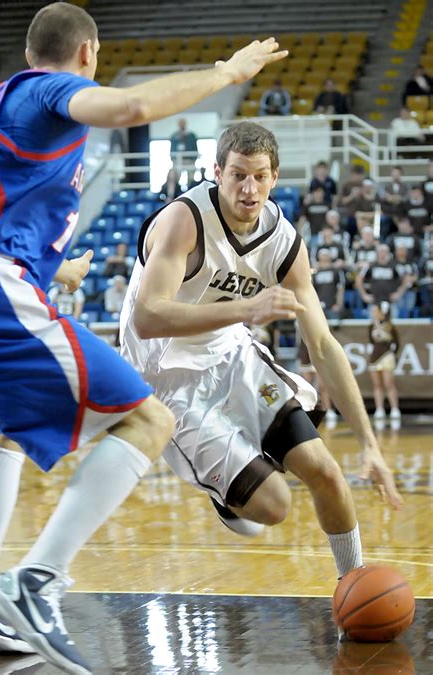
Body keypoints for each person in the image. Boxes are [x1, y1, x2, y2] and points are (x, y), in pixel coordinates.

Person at [0, 2, 289, 671]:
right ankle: (35, 581)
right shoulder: (45, 91)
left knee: (3, 428)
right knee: (148, 419)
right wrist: (230, 71)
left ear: (28, 51)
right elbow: (132, 109)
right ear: (88, 54)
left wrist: (66, 267)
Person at [120, 121, 402, 602]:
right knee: (274, 506)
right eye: (237, 176)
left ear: (275, 178)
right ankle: (228, 493)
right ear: (217, 173)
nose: (248, 189)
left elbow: (323, 344)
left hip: (232, 355)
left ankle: (352, 589)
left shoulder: (284, 242)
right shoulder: (184, 220)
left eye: (259, 177)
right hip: (168, 378)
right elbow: (148, 318)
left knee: (327, 472)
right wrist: (247, 310)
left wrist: (370, 443)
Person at [368, 303, 401, 427]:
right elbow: (371, 341)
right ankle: (379, 409)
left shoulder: (391, 326)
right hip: (374, 358)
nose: (373, 312)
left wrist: (391, 354)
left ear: (383, 312)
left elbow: (397, 343)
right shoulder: (371, 326)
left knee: (389, 384)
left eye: (376, 310)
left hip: (387, 357)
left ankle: (394, 409)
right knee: (377, 385)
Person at [356, 244, 409, 318]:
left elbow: (406, 279)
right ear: (377, 253)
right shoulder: (370, 266)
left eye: (384, 252)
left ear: (388, 253)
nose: (382, 254)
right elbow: (359, 279)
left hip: (391, 302)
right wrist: (364, 295)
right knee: (374, 326)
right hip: (374, 302)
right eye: (380, 252)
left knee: (391, 325)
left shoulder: (395, 266)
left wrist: (399, 293)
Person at [170, 118, 199, 182]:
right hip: (178, 159)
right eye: (180, 123)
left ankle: (190, 188)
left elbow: (195, 147)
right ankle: (176, 191)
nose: (181, 125)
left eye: (183, 123)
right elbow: (172, 148)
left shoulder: (191, 135)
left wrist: (194, 158)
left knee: (191, 177)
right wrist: (173, 159)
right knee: (174, 175)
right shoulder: (174, 136)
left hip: (189, 159)